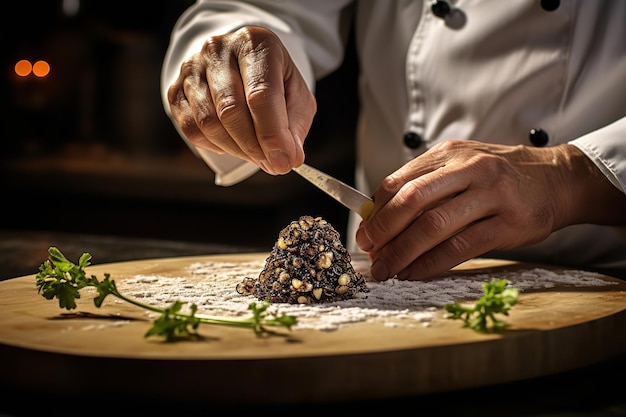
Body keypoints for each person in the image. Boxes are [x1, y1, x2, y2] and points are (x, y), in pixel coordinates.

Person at [160, 0, 626, 281]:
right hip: (378, 280)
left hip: (599, 275)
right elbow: (272, 8)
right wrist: (233, 62)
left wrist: (573, 175)